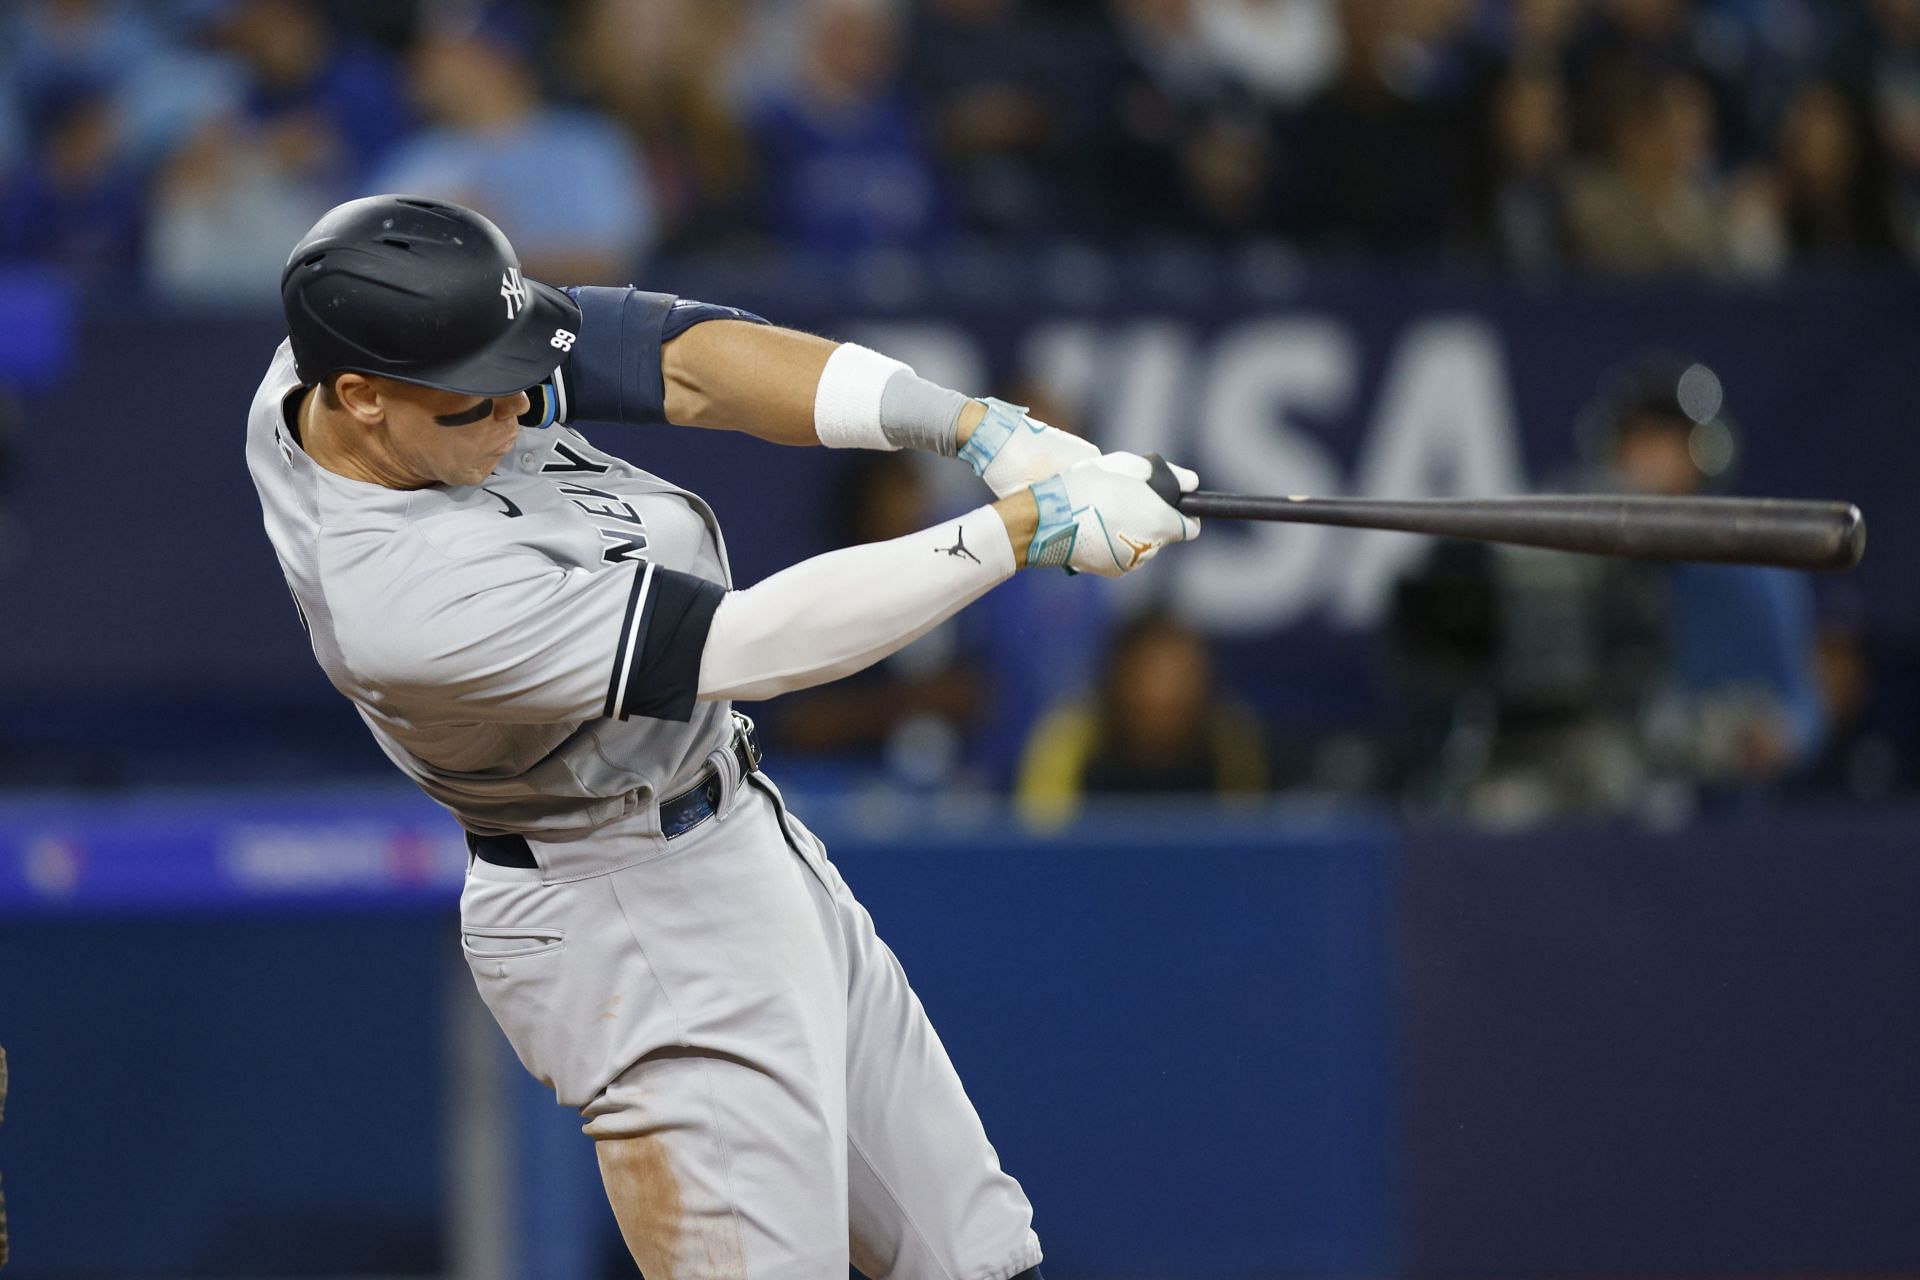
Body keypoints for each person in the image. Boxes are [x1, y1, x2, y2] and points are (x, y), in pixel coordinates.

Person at [251, 194, 1199, 1277]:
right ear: (361, 398)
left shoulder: (346, 365)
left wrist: (971, 424)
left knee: (978, 1255)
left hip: (730, 828)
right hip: (625, 908)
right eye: (482, 398)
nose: (520, 406)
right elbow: (752, 642)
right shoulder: (404, 604)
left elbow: (682, 359)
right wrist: (1020, 532)